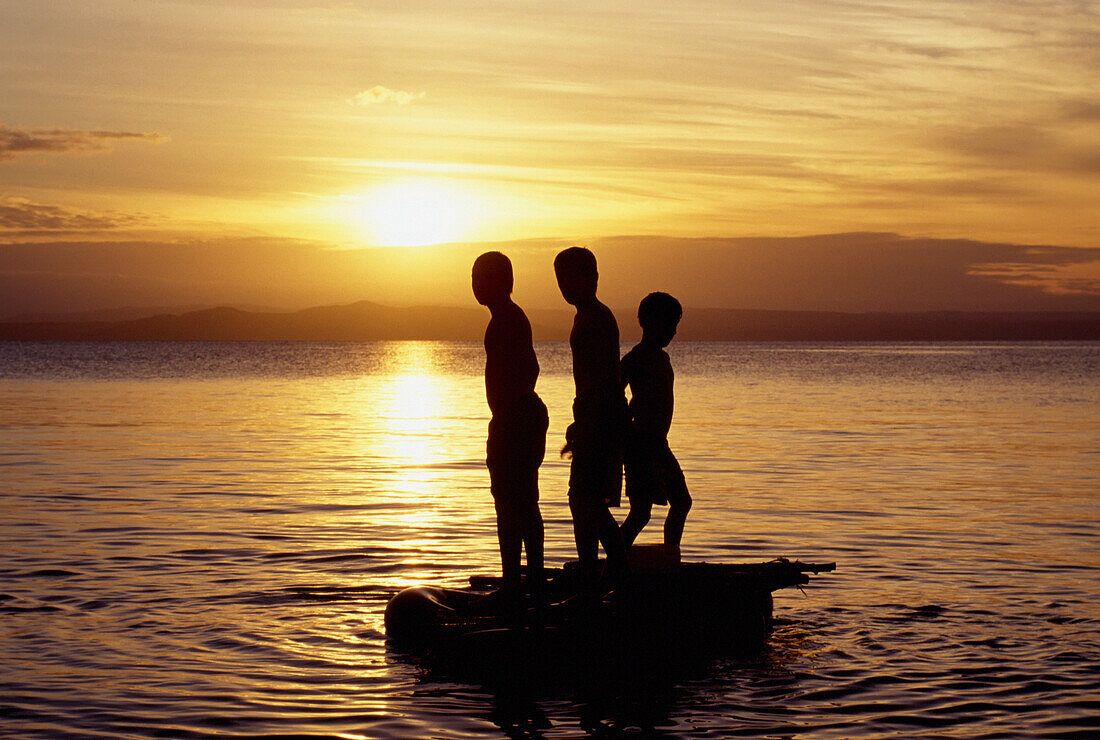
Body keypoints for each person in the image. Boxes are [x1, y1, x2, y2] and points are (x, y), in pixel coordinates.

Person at [472, 251, 549, 595]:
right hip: (513, 417)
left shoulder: (508, 319)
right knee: (515, 501)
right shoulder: (503, 319)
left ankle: (519, 582)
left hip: (516, 419)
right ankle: (521, 578)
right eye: (474, 278)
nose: (476, 285)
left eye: (484, 278)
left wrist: (509, 410)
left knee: (514, 503)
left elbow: (529, 369)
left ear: (505, 282)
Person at [554, 246, 629, 588]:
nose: (566, 285)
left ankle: (600, 575)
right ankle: (600, 573)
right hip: (593, 418)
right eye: (561, 279)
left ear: (593, 278)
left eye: (572, 277)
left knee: (584, 500)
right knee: (584, 501)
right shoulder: (584, 316)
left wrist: (587, 425)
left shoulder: (598, 318)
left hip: (602, 421)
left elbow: (602, 379)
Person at [620, 292, 692, 551]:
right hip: (642, 445)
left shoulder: (662, 358)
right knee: (642, 513)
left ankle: (669, 557)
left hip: (658, 444)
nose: (673, 332)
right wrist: (627, 422)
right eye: (669, 324)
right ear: (648, 322)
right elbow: (614, 393)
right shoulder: (636, 358)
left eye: (675, 325)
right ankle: (617, 563)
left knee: (680, 503)